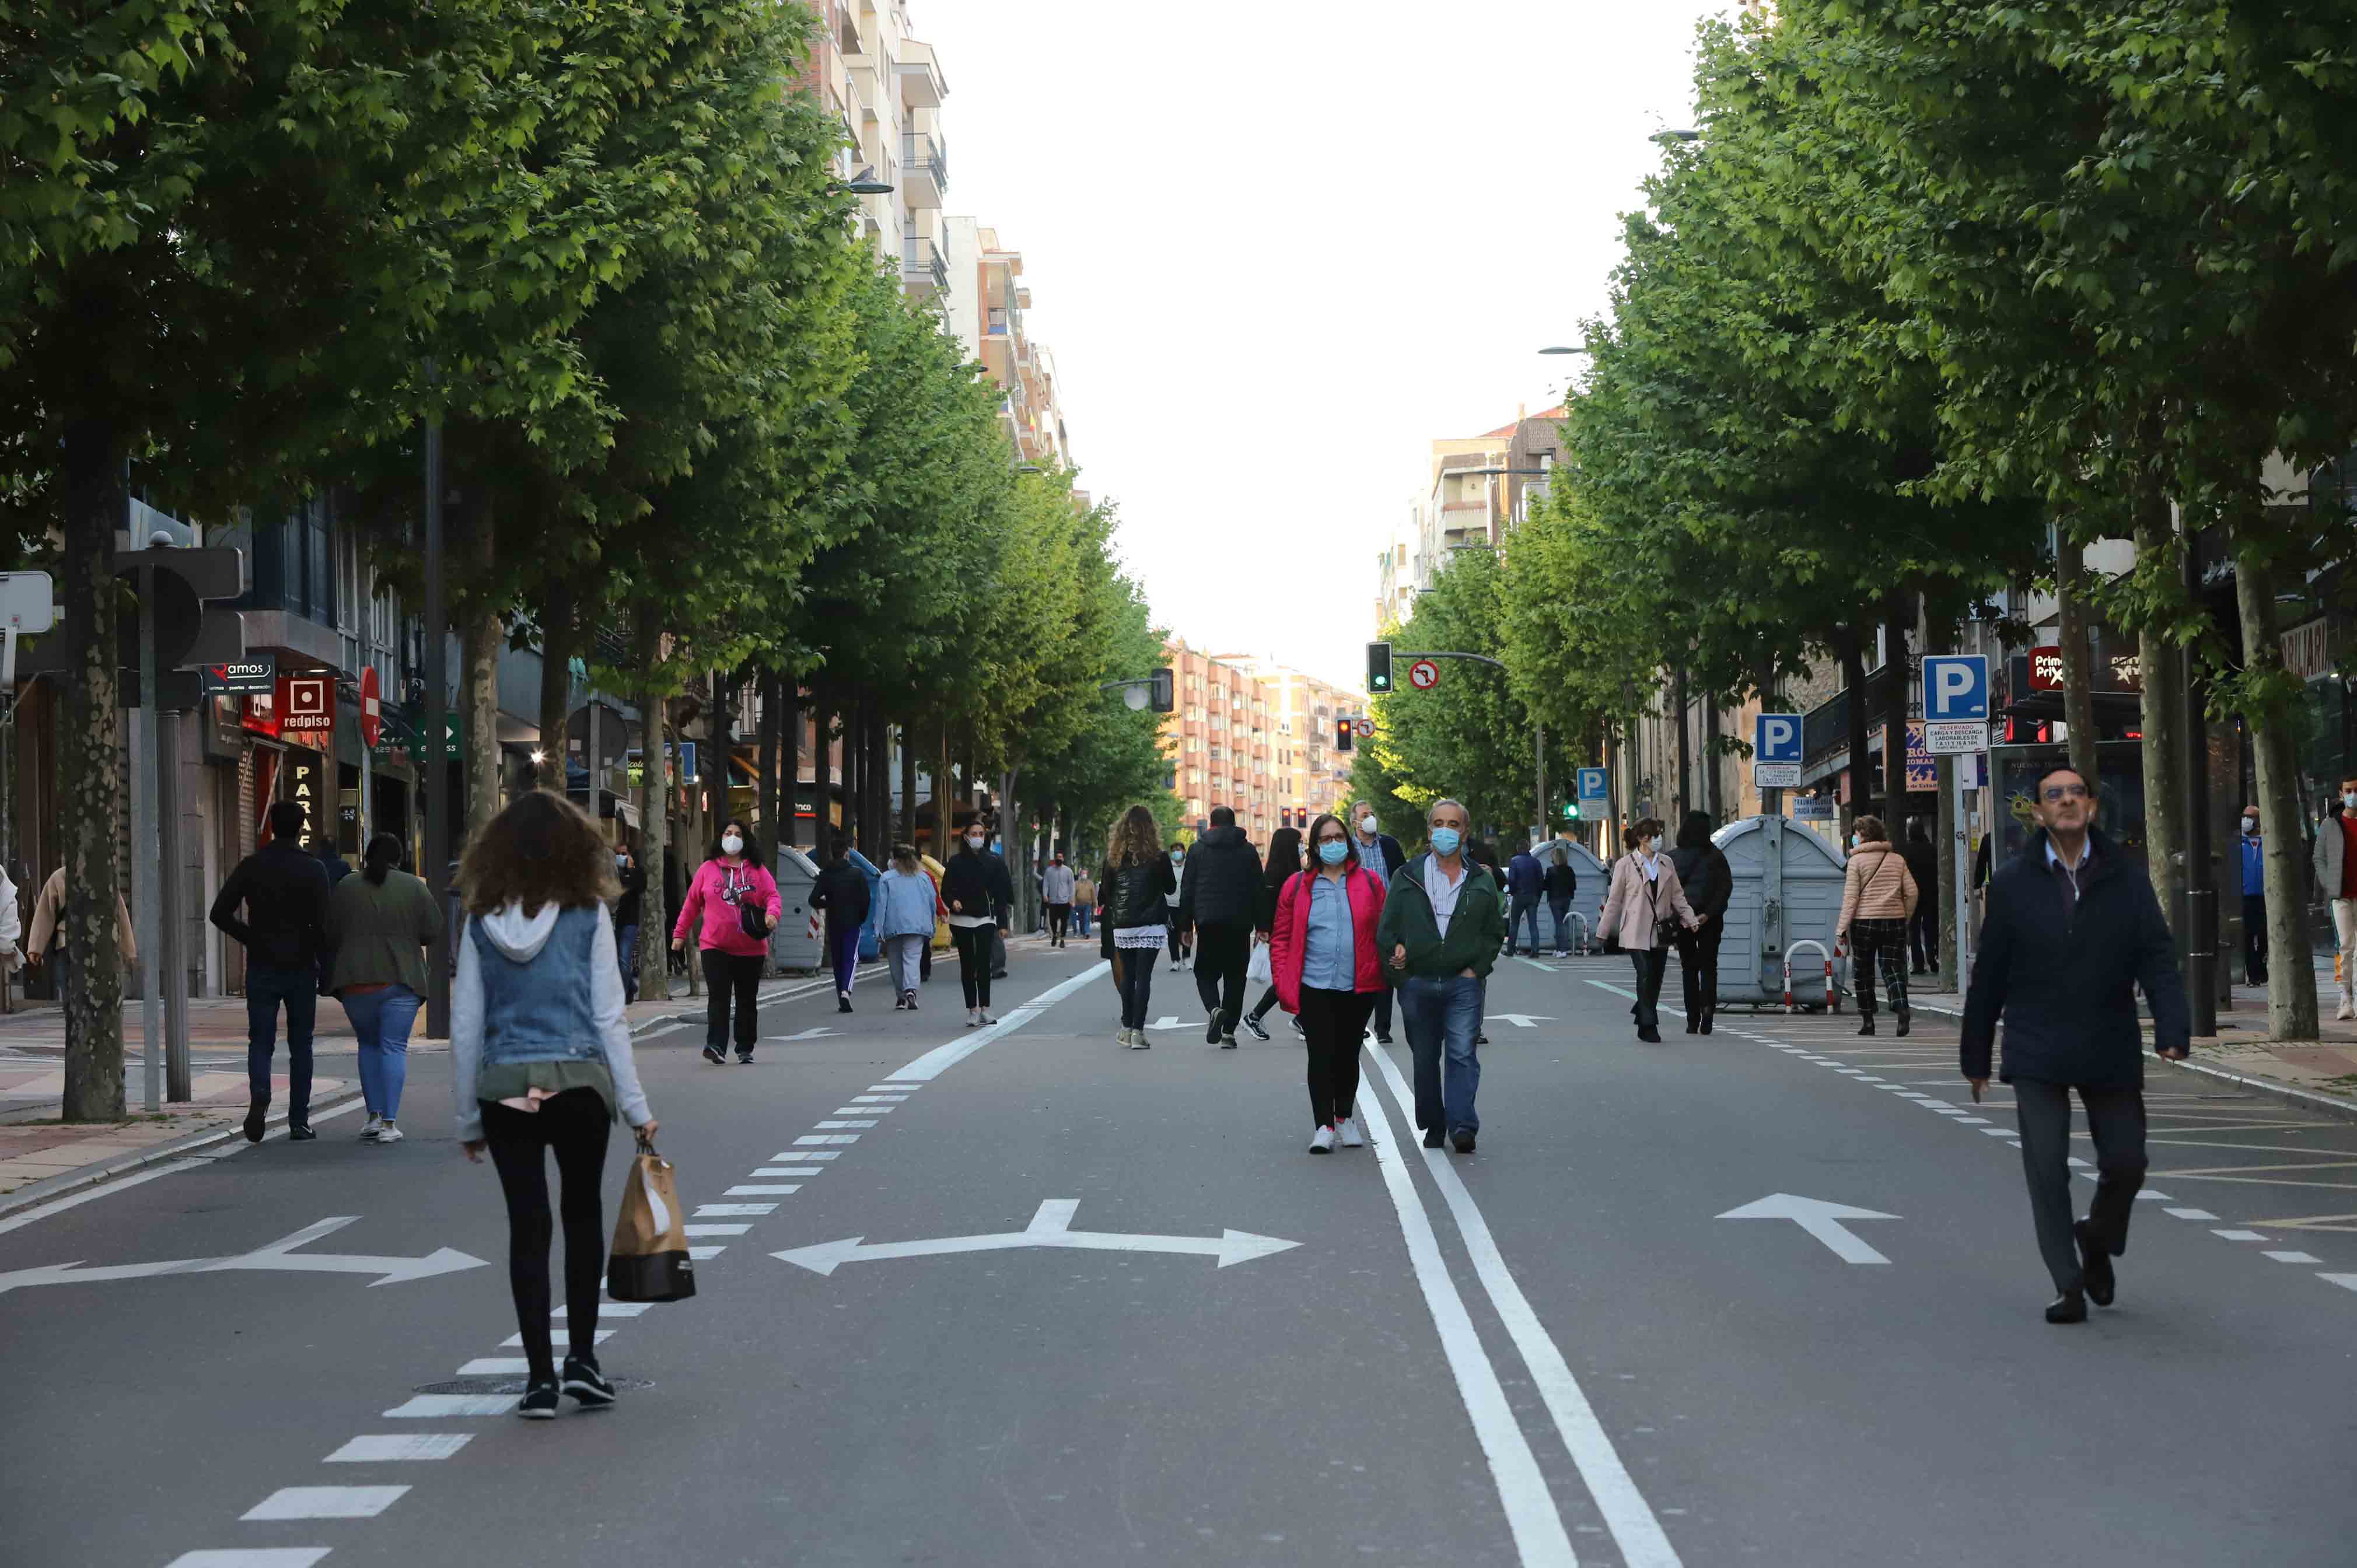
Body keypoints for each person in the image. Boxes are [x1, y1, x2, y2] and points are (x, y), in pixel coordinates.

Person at [1961, 762, 2190, 1325]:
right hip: (2035, 1043)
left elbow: (2156, 956)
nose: (2066, 801)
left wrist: (2172, 1028)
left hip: (2107, 1039)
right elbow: (1990, 971)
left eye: (2076, 793)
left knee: (2127, 1162)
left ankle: (2097, 1239)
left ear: (2091, 807)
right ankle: (2066, 1285)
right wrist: (1976, 1055)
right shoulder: (2013, 882)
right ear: (2038, 812)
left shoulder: (2127, 876)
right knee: (2046, 1168)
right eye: (2053, 794)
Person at [452, 791, 655, 1418]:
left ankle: (537, 1379)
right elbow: (607, 1016)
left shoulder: (479, 918)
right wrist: (636, 1106)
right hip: (580, 1085)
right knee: (581, 1216)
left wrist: (467, 1114)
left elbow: (466, 1023)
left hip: (504, 1084)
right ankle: (583, 1362)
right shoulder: (589, 914)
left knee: (528, 1226)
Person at [1376, 798, 1504, 1152]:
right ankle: (1433, 1123)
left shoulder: (1480, 879)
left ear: (1465, 831)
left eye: (1453, 824)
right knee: (1425, 1058)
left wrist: (1475, 970)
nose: (1445, 831)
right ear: (1429, 830)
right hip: (1418, 983)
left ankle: (1463, 1125)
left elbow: (1494, 931)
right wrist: (1399, 971)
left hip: (1463, 984)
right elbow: (1387, 931)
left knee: (1463, 1053)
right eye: (1439, 824)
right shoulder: (1407, 877)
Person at [209, 801, 331, 1142]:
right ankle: (299, 1120)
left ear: (271, 827)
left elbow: (219, 912)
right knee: (301, 1044)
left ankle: (261, 1092)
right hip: (302, 966)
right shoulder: (314, 869)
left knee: (260, 1039)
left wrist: (250, 937)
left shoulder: (252, 866)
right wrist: (326, 966)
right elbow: (325, 926)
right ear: (302, 826)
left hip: (263, 963)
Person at [1272, 812, 1387, 1152]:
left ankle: (1345, 1117)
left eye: (1338, 837)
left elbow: (1385, 929)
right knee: (1321, 1055)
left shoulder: (1369, 883)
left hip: (1359, 984)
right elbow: (1281, 937)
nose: (1333, 844)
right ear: (1314, 846)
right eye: (1325, 839)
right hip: (1315, 984)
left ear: (1348, 842)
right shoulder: (1297, 886)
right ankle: (1323, 1126)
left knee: (1348, 1054)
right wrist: (1283, 980)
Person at [325, 833, 440, 1144]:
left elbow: (331, 931)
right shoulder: (415, 886)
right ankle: (390, 1123)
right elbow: (432, 930)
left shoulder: (346, 887)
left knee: (369, 1045)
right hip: (400, 980)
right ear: (399, 859)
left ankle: (372, 1117)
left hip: (354, 982)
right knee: (393, 1047)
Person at [670, 818, 782, 1065]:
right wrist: (679, 934)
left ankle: (744, 1047)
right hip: (715, 945)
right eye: (728, 833)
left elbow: (773, 895)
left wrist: (772, 914)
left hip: (750, 948)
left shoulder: (757, 870)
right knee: (718, 997)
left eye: (738, 833)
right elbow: (691, 904)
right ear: (721, 837)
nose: (732, 837)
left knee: (746, 999)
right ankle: (716, 1045)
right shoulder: (707, 869)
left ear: (745, 839)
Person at [1596, 818, 1701, 1044]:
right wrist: (1603, 931)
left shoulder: (1667, 864)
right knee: (1644, 975)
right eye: (1656, 835)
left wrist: (1690, 919)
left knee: (1656, 979)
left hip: (1660, 931)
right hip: (1635, 931)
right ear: (1643, 839)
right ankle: (1648, 1025)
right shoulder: (1625, 865)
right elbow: (1614, 901)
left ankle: (1642, 1009)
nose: (1660, 839)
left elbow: (1677, 896)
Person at [1178, 805, 1264, 1047]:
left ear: (1211, 824)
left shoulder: (1197, 850)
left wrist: (1185, 926)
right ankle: (1229, 1033)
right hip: (1240, 924)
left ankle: (1214, 1009)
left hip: (1208, 924)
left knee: (1205, 974)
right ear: (1234, 824)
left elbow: (1188, 889)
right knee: (1236, 979)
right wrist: (1262, 926)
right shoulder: (1248, 850)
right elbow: (1259, 890)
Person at [1838, 815, 1920, 1038]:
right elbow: (1912, 892)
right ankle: (1902, 1009)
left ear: (1864, 835)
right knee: (1893, 968)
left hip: (1864, 923)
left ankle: (1868, 1022)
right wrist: (1904, 916)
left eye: (1857, 833)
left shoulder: (1856, 862)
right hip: (1894, 921)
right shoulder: (1897, 859)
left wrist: (1842, 929)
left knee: (1863, 971)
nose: (1855, 837)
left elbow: (1851, 898)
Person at [1106, 806, 1178, 1048]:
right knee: (1144, 976)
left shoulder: (1113, 859)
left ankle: (1125, 1028)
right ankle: (1138, 1031)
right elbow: (1170, 888)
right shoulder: (1159, 857)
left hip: (1124, 924)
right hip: (1151, 923)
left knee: (1127, 975)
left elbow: (1106, 893)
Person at [26, 861, 135, 1000]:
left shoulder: (61, 877)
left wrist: (36, 948)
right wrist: (128, 950)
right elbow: (45, 914)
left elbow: (45, 914)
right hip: (81, 943)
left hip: (78, 944)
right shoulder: (99, 878)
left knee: (74, 993)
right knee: (81, 992)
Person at [942, 822, 1013, 1027]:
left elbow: (1001, 894)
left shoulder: (994, 861)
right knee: (967, 965)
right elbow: (946, 889)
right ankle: (972, 1009)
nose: (978, 837)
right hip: (961, 919)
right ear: (965, 836)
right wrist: (952, 901)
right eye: (974, 834)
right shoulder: (955, 862)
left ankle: (985, 1009)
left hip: (985, 918)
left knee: (983, 964)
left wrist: (1002, 923)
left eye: (981, 834)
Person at [1667, 812, 1731, 1034]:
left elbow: (1669, 892)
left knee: (1689, 968)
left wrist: (1682, 914)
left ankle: (1691, 1018)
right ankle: (1707, 1011)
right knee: (1709, 966)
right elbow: (1725, 889)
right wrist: (1709, 914)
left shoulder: (1673, 858)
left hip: (1684, 921)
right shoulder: (1716, 857)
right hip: (1710, 921)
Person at [1241, 827, 1306, 1041]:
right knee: (1288, 978)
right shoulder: (1276, 875)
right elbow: (1266, 905)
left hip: (1293, 933)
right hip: (1282, 935)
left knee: (1297, 976)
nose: (1302, 847)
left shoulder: (1292, 871)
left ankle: (1301, 1018)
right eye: (1298, 842)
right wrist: (1264, 930)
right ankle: (1255, 1016)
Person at [1351, 805, 1405, 1042]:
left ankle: (1383, 1029)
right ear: (1355, 823)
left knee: (1386, 971)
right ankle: (1357, 1023)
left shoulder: (1390, 845)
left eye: (1372, 813)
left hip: (1389, 916)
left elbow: (1403, 875)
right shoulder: (1348, 848)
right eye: (1365, 815)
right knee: (1360, 971)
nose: (1370, 818)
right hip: (1358, 917)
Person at [2311, 774, 2357, 1020]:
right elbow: (2318, 857)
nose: (2352, 795)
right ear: (2341, 794)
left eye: (2356, 790)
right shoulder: (2331, 825)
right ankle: (2345, 998)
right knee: (2346, 946)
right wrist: (2329, 883)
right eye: (2348, 791)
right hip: (2341, 895)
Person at [876, 844, 941, 1010]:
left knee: (895, 962)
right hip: (918, 925)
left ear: (895, 860)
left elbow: (881, 905)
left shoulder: (886, 878)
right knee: (913, 959)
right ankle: (911, 989)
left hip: (893, 926)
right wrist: (932, 925)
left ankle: (901, 996)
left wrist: (878, 929)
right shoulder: (924, 878)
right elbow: (931, 903)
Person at [810, 836, 871, 1014]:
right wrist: (861, 917)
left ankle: (840, 994)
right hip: (853, 921)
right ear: (846, 854)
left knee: (838, 960)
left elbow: (813, 899)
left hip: (834, 921)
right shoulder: (857, 874)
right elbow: (865, 900)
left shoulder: (826, 874)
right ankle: (846, 991)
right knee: (850, 957)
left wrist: (829, 904)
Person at [1900, 818, 1940, 975]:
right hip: (1931, 894)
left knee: (1914, 930)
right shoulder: (1932, 849)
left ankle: (1918, 964)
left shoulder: (1907, 851)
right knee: (1931, 928)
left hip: (1913, 895)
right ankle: (1932, 959)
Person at [613, 839, 645, 1003]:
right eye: (617, 854)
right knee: (616, 961)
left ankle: (622, 995)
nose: (620, 857)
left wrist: (630, 869)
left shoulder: (636, 873)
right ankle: (631, 986)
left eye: (624, 854)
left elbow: (639, 886)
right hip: (613, 922)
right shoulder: (611, 873)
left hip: (629, 922)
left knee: (625, 960)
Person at [2239, 806, 2267, 986]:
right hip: (2245, 898)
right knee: (2248, 937)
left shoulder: (2268, 842)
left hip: (2265, 898)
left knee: (2265, 936)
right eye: (2244, 817)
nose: (2246, 820)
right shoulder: (2238, 844)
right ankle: (2253, 974)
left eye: (2250, 817)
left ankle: (2262, 970)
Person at [1503, 841, 1545, 957]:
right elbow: (1541, 880)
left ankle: (1510, 950)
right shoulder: (1536, 862)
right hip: (1533, 896)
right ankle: (1535, 950)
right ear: (1528, 849)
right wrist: (1538, 896)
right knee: (1533, 924)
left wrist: (1512, 892)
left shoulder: (1515, 861)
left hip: (1519, 896)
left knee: (1515, 924)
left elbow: (1512, 879)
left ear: (1518, 849)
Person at [1544, 843, 1579, 956]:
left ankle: (1562, 949)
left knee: (1558, 923)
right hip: (1566, 899)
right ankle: (1561, 948)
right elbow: (1574, 886)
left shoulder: (1551, 871)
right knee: (1564, 923)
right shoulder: (1570, 870)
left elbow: (1546, 886)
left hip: (1555, 899)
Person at [1163, 841, 1191, 972]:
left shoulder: (1189, 866)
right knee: (1172, 933)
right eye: (1174, 850)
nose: (1177, 853)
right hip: (1171, 903)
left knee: (1186, 930)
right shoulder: (1169, 866)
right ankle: (1175, 960)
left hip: (1186, 903)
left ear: (1184, 852)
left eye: (1179, 850)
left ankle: (1187, 957)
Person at [1042, 853, 1076, 948]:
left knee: (1064, 921)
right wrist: (1045, 895)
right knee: (1053, 921)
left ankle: (1062, 939)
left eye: (1061, 857)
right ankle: (1055, 935)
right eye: (1057, 857)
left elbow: (1072, 886)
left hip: (1065, 901)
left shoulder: (1068, 871)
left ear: (1063, 859)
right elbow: (1046, 884)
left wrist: (1071, 898)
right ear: (1055, 859)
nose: (1059, 859)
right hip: (1053, 901)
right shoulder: (1049, 871)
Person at [1071, 866, 1096, 941]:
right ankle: (1083, 932)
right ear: (1080, 874)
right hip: (1078, 904)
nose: (1084, 874)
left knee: (1086, 918)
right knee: (1081, 920)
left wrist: (1094, 904)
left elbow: (1093, 894)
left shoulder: (1090, 883)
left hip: (1088, 904)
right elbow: (1074, 894)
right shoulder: (1076, 883)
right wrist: (1073, 903)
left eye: (1086, 873)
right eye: (1083, 873)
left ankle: (1087, 933)